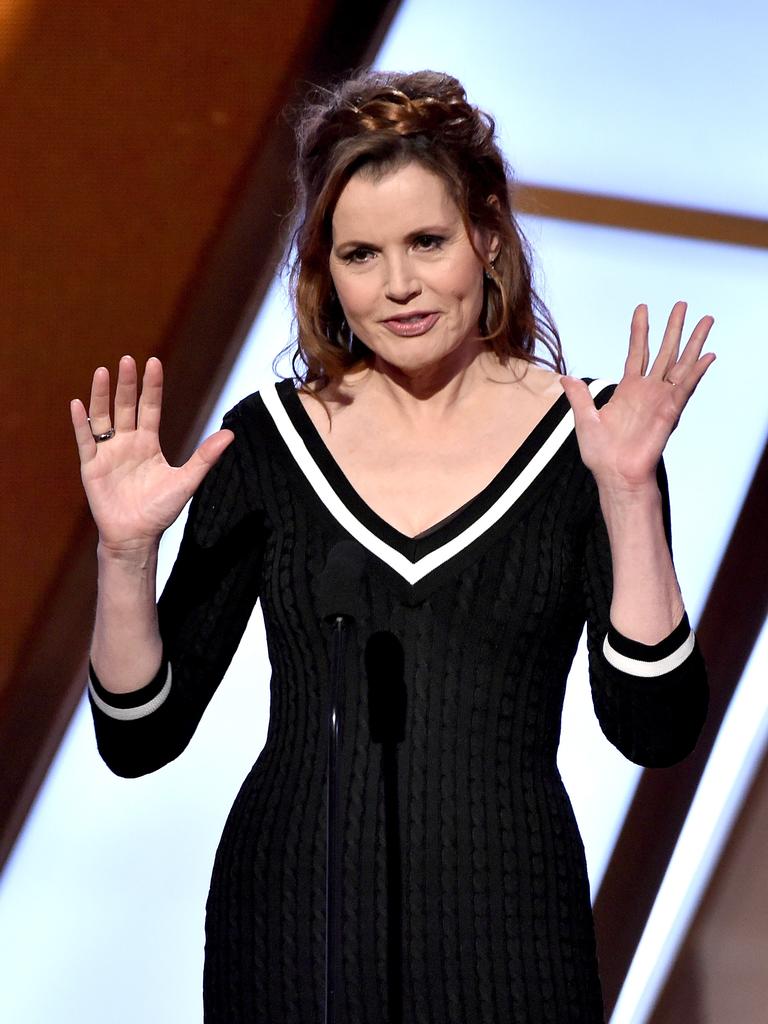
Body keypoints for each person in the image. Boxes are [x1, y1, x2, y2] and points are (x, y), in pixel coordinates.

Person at [70, 69, 713, 1023]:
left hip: (511, 929)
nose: (400, 286)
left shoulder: (595, 436)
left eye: (428, 242)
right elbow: (139, 737)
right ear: (324, 271)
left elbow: (652, 729)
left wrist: (625, 496)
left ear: (488, 238)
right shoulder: (270, 444)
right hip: (292, 930)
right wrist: (124, 558)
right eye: (361, 254)